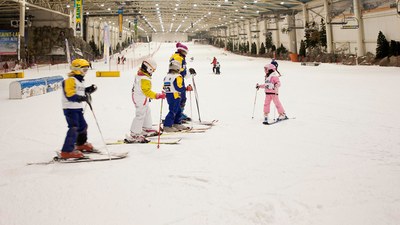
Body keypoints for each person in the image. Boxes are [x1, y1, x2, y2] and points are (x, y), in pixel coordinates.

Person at [60, 59, 97, 159]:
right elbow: (70, 94)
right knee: (74, 127)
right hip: (70, 108)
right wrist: (81, 98)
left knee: (83, 126)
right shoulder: (70, 80)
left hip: (77, 108)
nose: (85, 72)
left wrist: (88, 90)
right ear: (76, 69)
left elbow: (80, 91)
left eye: (86, 70)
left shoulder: (79, 81)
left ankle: (81, 144)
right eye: (84, 70)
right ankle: (66, 151)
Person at [126, 58, 166, 143]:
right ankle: (134, 134)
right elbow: (147, 91)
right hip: (140, 98)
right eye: (152, 70)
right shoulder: (144, 78)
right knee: (140, 115)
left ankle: (146, 128)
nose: (152, 73)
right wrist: (157, 95)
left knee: (147, 111)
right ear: (148, 68)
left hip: (140, 97)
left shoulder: (141, 75)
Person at [162, 60, 189, 132]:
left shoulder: (167, 76)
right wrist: (185, 89)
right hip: (175, 95)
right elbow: (178, 87)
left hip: (169, 95)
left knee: (178, 109)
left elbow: (164, 86)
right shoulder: (178, 76)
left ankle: (177, 123)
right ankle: (167, 125)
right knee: (173, 110)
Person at [169, 42, 193, 122]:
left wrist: (188, 73)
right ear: (182, 51)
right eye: (185, 52)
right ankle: (177, 115)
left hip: (179, 78)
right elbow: (177, 69)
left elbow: (184, 73)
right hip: (177, 79)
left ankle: (179, 113)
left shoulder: (179, 57)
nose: (186, 54)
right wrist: (187, 73)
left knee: (182, 98)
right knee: (179, 98)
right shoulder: (178, 58)